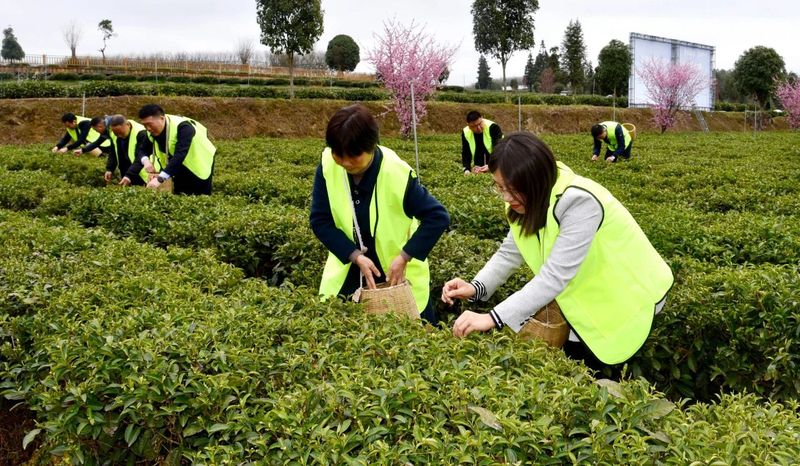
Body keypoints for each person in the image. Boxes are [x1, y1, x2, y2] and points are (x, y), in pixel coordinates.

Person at [442, 132, 673, 369]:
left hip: (628, 295)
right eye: (499, 187)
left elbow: (553, 277)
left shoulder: (579, 202)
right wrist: (476, 287)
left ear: (534, 180)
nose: (506, 197)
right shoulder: (526, 198)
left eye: (511, 189)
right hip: (588, 295)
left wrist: (492, 318)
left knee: (602, 372)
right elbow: (511, 251)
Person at [311, 104, 450, 324]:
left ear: (372, 146)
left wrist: (404, 257)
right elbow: (320, 220)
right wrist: (355, 256)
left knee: (414, 336)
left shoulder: (396, 172)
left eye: (354, 156)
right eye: (339, 155)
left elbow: (437, 216)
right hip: (349, 272)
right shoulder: (328, 164)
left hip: (394, 278)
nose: (345, 162)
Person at [130, 104, 217, 195]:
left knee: (199, 194)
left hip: (199, 161)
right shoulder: (151, 132)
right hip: (177, 165)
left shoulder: (184, 127)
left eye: (150, 124)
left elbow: (180, 154)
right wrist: (145, 161)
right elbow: (142, 150)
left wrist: (160, 179)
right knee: (180, 193)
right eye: (144, 125)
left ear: (162, 118)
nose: (148, 128)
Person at [100, 115, 150, 186]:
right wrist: (110, 169)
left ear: (128, 125)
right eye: (116, 133)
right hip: (127, 172)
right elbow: (113, 152)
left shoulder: (141, 133)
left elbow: (140, 157)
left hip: (142, 172)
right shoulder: (114, 132)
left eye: (121, 133)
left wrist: (129, 175)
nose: (119, 136)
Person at [461, 110, 502, 175]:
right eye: (474, 126)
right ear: (468, 125)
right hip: (479, 160)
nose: (479, 128)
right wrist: (467, 169)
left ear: (482, 118)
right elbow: (466, 152)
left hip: (497, 160)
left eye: (480, 124)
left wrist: (491, 165)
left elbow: (498, 149)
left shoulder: (493, 127)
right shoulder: (465, 132)